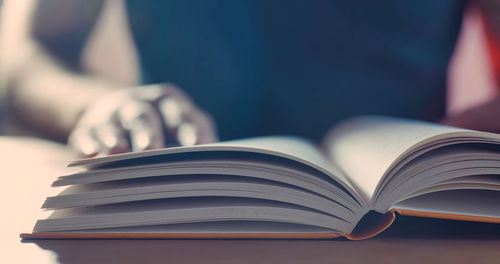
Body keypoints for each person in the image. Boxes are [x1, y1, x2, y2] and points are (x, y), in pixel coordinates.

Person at [1, 0, 500, 158]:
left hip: (402, 216)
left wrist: (457, 150)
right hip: (172, 204)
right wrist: (96, 105)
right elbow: (28, 57)